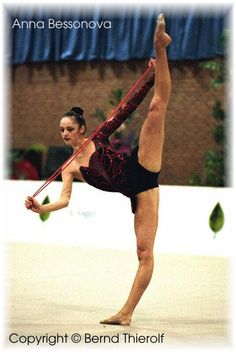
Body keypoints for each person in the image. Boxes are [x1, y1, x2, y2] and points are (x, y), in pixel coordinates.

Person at [25, 14, 171, 326]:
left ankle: (161, 49)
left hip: (142, 170)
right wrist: (41, 208)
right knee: (143, 254)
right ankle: (126, 314)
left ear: (81, 129)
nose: (64, 134)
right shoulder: (68, 168)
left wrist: (148, 77)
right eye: (61, 130)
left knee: (156, 110)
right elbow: (64, 201)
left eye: (69, 128)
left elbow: (126, 108)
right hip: (137, 193)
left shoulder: (97, 137)